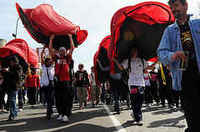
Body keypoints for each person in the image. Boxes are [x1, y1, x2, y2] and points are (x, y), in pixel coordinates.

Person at [157, 0, 200, 131]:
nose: (174, 9)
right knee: (192, 116)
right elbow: (161, 53)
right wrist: (174, 55)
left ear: (185, 6)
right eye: (171, 7)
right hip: (184, 77)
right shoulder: (169, 31)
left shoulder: (197, 23)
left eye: (176, 5)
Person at [121, 48, 154, 125]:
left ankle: (136, 114)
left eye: (136, 51)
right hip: (132, 83)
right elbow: (121, 68)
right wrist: (115, 61)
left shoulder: (142, 60)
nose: (135, 52)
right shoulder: (127, 61)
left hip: (141, 83)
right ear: (131, 52)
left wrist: (157, 62)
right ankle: (137, 118)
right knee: (134, 101)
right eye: (133, 51)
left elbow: (150, 68)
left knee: (140, 101)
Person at [49, 34, 74, 122]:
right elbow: (50, 50)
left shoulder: (67, 58)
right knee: (58, 98)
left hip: (66, 81)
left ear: (65, 51)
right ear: (59, 52)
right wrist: (51, 39)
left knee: (65, 98)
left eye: (63, 50)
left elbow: (72, 49)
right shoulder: (56, 58)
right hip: (57, 81)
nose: (62, 52)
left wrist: (70, 37)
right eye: (60, 51)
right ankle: (60, 113)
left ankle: (66, 115)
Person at [40, 47, 55, 119]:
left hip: (51, 85)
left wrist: (50, 49)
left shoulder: (52, 67)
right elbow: (41, 56)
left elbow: (52, 56)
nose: (49, 62)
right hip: (45, 86)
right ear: (45, 62)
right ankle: (50, 111)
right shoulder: (43, 66)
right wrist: (43, 49)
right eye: (47, 61)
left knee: (50, 99)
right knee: (47, 99)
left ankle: (48, 113)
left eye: (50, 61)